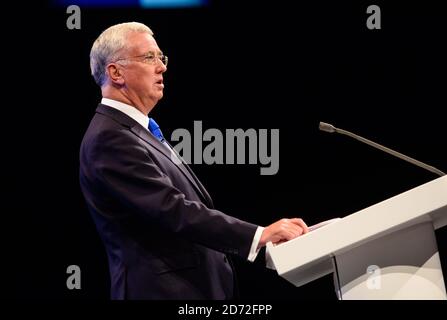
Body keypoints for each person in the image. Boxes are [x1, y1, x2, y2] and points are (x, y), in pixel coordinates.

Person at [79, 22, 309, 300]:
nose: (161, 67)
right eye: (148, 57)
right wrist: (257, 235)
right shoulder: (110, 138)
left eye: (161, 57)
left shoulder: (137, 131)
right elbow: (172, 209)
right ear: (115, 72)